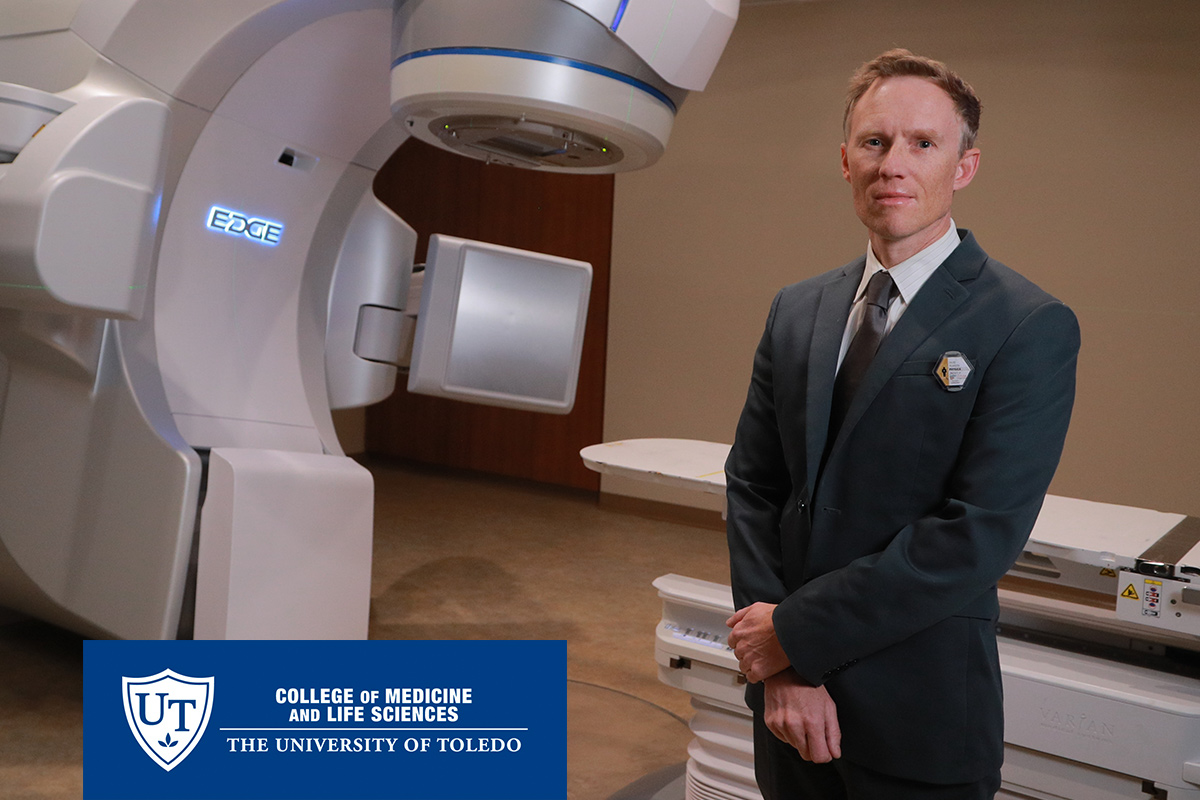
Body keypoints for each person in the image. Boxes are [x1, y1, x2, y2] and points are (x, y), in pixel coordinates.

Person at [723, 49, 1080, 800]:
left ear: (964, 166)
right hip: (789, 713)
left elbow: (975, 532)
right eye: (874, 141)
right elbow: (754, 484)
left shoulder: (1026, 325)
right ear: (844, 160)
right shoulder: (798, 311)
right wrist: (781, 669)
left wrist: (793, 637)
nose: (893, 163)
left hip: (918, 715)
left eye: (923, 143)